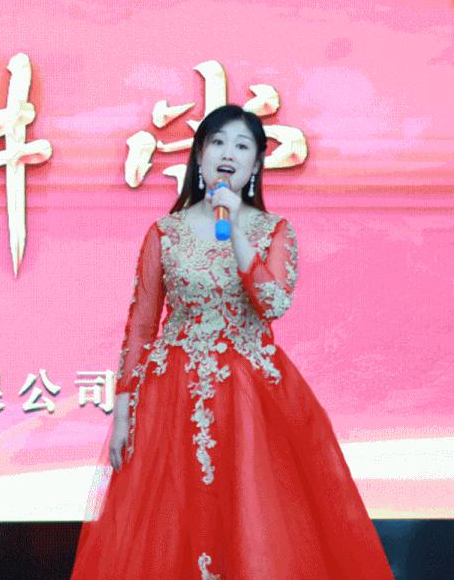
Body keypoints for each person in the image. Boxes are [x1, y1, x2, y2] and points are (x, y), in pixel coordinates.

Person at [71, 105, 393, 579]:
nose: (228, 154)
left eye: (241, 146)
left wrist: (236, 229)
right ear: (200, 155)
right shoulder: (166, 233)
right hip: (172, 396)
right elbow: (140, 327)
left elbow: (273, 302)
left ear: (256, 163)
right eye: (218, 143)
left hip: (252, 400)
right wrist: (122, 413)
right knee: (169, 524)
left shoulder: (274, 230)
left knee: (255, 517)